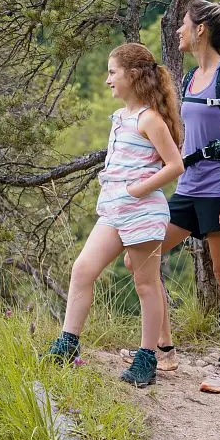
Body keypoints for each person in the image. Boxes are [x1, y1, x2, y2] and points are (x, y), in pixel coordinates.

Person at [121, 0, 220, 394]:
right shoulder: (191, 78)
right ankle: (164, 350)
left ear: (201, 30)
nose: (178, 30)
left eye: (184, 24)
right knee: (138, 257)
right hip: (189, 189)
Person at [44, 42, 185, 387]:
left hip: (143, 214)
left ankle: (147, 358)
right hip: (114, 212)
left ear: (133, 76)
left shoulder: (150, 119)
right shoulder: (120, 117)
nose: (108, 80)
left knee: (145, 283)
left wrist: (139, 189)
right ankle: (66, 345)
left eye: (112, 73)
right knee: (83, 269)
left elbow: (175, 166)